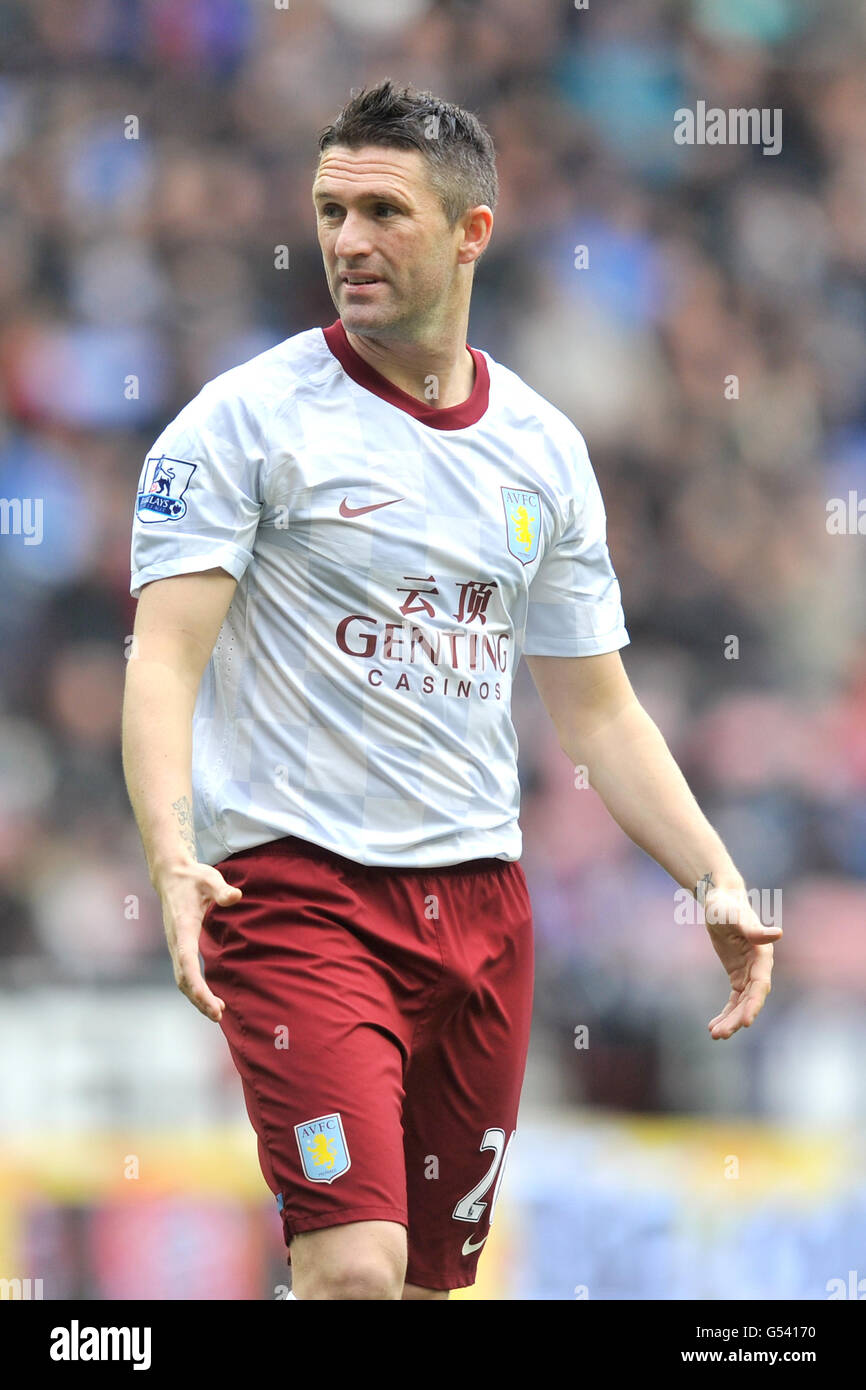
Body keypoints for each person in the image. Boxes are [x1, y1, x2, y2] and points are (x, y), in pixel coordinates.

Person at [122, 80, 781, 1302]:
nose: (346, 241)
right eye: (329, 210)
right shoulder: (243, 425)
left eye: (383, 210)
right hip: (297, 894)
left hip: (481, 909)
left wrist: (712, 875)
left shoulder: (538, 448)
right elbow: (161, 660)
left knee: (428, 1288)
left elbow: (597, 710)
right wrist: (171, 856)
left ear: (472, 232)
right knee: (353, 1269)